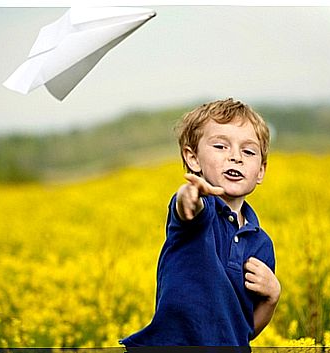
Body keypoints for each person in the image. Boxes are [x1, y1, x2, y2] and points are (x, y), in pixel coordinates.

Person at [119, 98, 281, 348]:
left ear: (260, 170)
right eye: (220, 146)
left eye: (248, 151)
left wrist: (271, 299)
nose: (236, 157)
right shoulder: (200, 214)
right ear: (192, 159)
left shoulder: (261, 244)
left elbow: (243, 331)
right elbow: (187, 206)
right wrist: (191, 194)